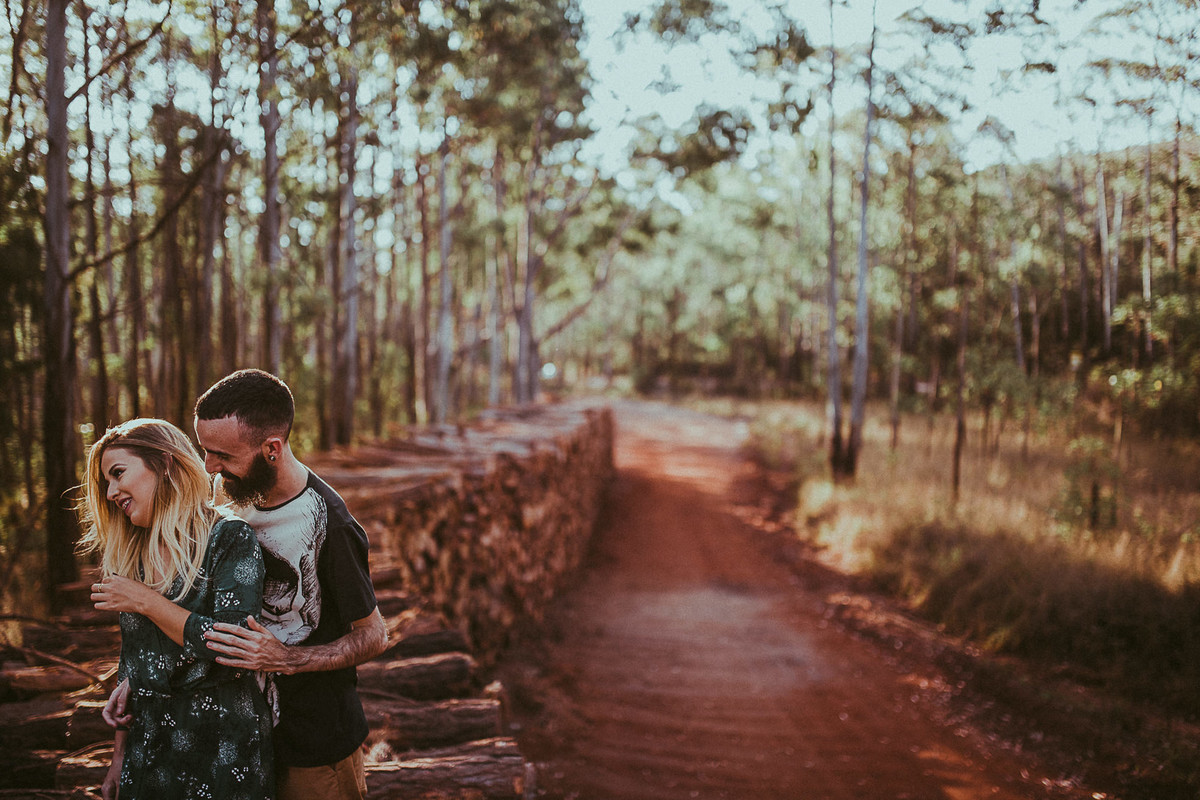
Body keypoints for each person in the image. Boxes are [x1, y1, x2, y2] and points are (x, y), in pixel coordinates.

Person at [105, 369, 389, 800]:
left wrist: (287, 658)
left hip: (314, 742)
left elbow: (374, 635)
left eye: (221, 454)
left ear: (271, 449)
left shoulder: (331, 523)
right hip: (243, 735)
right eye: (205, 450)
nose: (209, 467)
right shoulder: (231, 492)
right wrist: (146, 678)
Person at [80, 418, 274, 800]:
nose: (111, 492)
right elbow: (133, 659)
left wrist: (146, 602)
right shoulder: (133, 554)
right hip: (149, 747)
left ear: (165, 463)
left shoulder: (228, 537)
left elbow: (235, 645)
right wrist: (119, 757)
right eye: (106, 482)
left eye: (118, 473)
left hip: (222, 744)